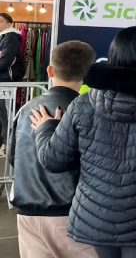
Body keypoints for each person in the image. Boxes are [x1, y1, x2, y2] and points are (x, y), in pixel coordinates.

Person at [31, 26, 136, 257]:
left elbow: (53, 160)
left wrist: (45, 127)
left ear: (112, 56)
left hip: (96, 215)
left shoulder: (82, 104)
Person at [11, 41, 97, 258]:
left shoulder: (26, 110)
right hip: (74, 213)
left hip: (28, 213)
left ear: (50, 70)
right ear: (88, 75)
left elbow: (14, 157)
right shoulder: (89, 112)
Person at [0, 12, 23, 154]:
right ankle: (4, 143)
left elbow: (5, 61)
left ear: (9, 24)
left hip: (6, 80)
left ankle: (8, 145)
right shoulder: (3, 37)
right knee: (2, 113)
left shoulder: (11, 37)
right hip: (3, 80)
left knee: (6, 113)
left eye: (0, 21)